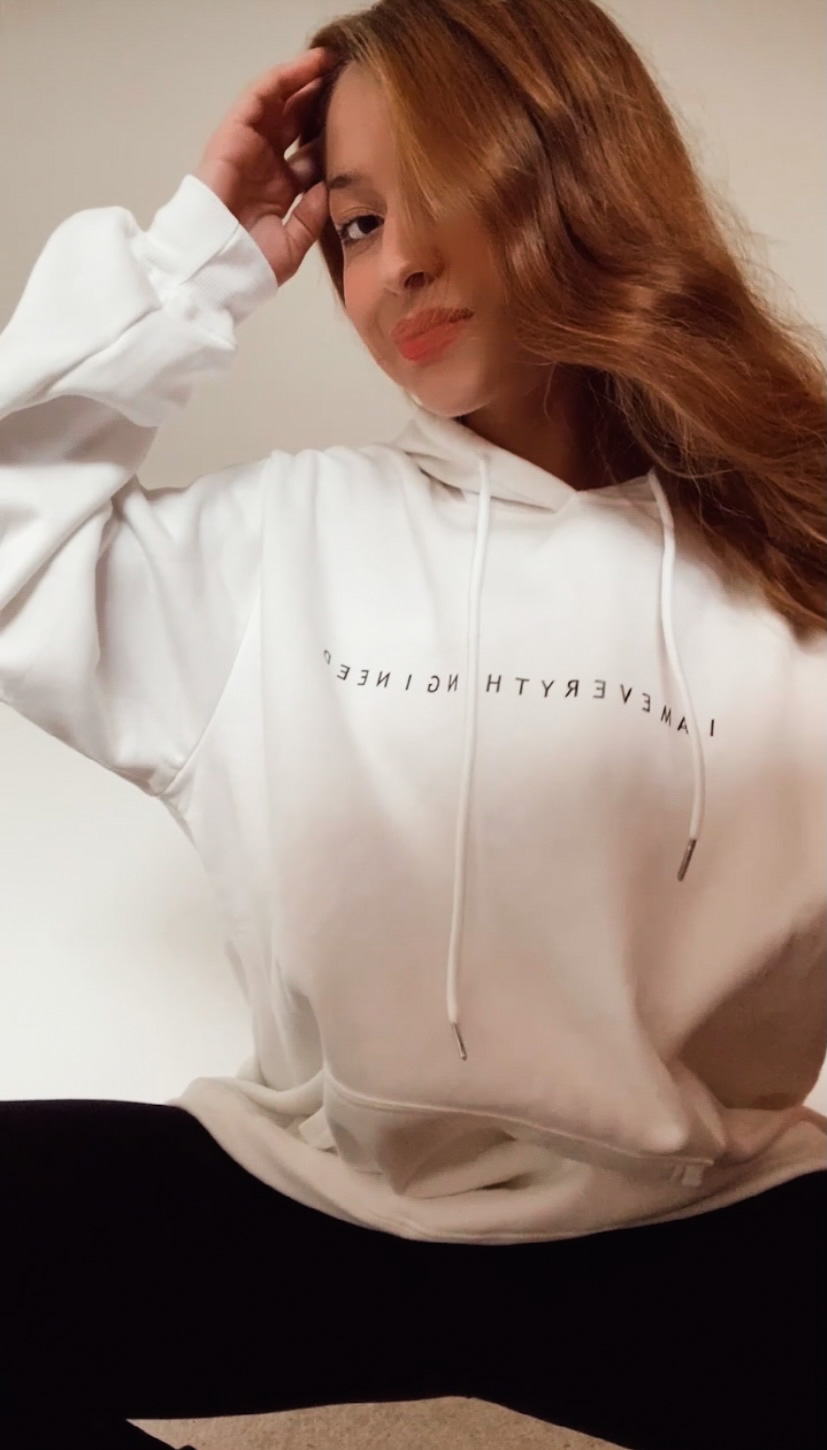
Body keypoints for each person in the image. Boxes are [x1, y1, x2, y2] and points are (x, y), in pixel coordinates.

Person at [1, 3, 824, 1447]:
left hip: (704, 1229)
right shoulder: (282, 541)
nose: (397, 267)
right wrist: (197, 258)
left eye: (439, 194)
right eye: (357, 224)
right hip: (314, 1204)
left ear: (576, 173)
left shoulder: (793, 565)